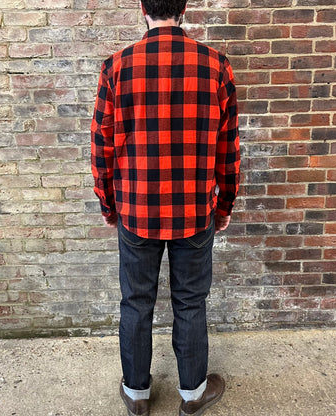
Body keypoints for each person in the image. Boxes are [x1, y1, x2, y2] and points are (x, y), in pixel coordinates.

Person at [91, 1, 240, 414]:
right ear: (184, 6)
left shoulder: (117, 67)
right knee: (191, 302)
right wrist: (223, 205)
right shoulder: (216, 66)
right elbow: (228, 149)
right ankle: (192, 394)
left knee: (135, 302)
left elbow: (102, 148)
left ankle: (137, 396)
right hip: (194, 212)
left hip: (136, 211)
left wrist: (109, 205)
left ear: (142, 7)